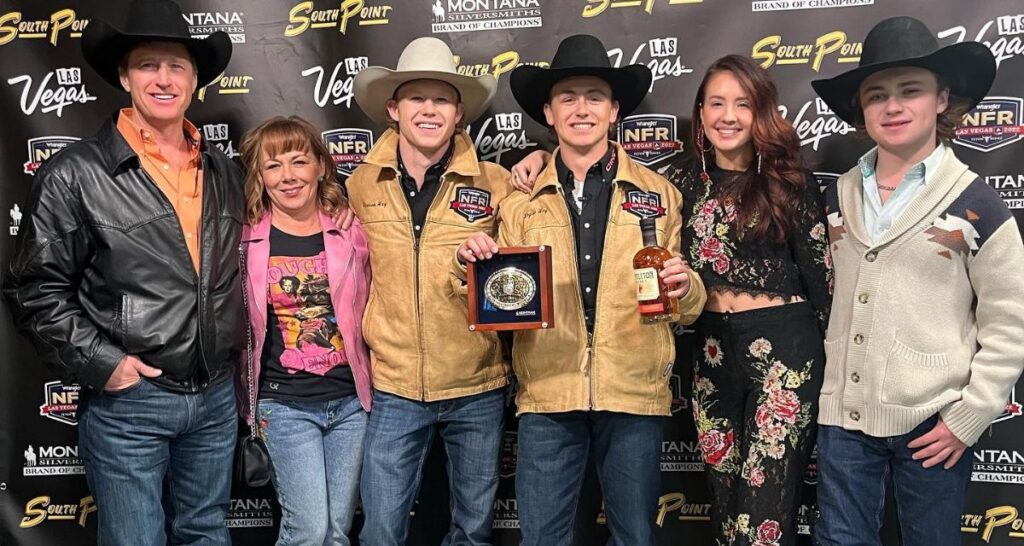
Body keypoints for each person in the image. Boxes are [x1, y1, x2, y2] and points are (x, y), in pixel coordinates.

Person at [508, 52, 832, 546]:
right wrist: (531, 157)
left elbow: (820, 281)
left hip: (782, 355)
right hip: (709, 356)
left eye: (742, 104)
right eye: (716, 103)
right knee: (726, 501)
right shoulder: (677, 182)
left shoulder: (787, 181)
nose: (728, 115)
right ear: (699, 112)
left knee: (763, 513)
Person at [3, 0, 241, 544]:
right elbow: (34, 288)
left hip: (216, 399)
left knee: (207, 534)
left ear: (195, 79)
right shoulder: (76, 174)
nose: (163, 79)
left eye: (177, 65)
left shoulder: (226, 172)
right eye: (148, 64)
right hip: (130, 404)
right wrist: (106, 364)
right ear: (124, 75)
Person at [460, 34, 706, 545]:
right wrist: (473, 267)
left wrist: (686, 288)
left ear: (615, 110)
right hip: (548, 393)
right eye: (567, 98)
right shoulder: (518, 198)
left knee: (635, 537)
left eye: (594, 96)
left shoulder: (659, 194)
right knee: (543, 539)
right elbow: (498, 296)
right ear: (548, 113)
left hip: (633, 392)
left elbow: (684, 305)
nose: (581, 109)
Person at [810, 16, 1024, 545]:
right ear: (861, 109)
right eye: (877, 94)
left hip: (933, 422)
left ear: (942, 98)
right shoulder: (838, 195)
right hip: (845, 420)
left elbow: (1012, 316)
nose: (893, 106)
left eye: (910, 91)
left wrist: (970, 415)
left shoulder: (976, 202)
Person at [346, 37, 512, 545]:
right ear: (393, 109)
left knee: (473, 531)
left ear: (459, 112)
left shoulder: (498, 183)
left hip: (477, 384)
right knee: (381, 531)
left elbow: (520, 278)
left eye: (441, 100)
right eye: (416, 98)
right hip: (393, 384)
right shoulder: (358, 186)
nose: (429, 110)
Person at [236, 116, 372, 546]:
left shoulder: (351, 230)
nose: (289, 176)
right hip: (285, 406)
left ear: (320, 166)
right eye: (273, 166)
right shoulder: (244, 237)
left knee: (336, 531)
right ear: (259, 175)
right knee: (308, 530)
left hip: (351, 404)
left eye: (299, 161)